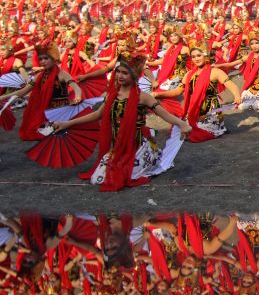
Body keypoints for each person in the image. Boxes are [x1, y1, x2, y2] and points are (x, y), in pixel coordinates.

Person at [53, 54, 192, 192]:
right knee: (99, 178)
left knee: (124, 175)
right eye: (118, 71)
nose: (119, 75)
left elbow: (165, 114)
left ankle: (149, 157)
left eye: (124, 73)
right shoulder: (112, 94)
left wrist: (182, 124)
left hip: (136, 144)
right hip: (116, 144)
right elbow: (97, 115)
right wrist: (67, 123)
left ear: (134, 76)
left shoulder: (143, 97)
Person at [157, 44, 241, 142]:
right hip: (194, 109)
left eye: (199, 55)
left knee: (196, 133)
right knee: (181, 130)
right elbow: (177, 91)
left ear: (205, 56)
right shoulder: (189, 74)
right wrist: (158, 94)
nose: (196, 59)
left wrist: (237, 96)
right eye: (193, 57)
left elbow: (231, 85)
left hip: (211, 110)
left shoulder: (215, 72)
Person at [0, 43, 82, 141]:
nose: (42, 61)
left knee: (59, 138)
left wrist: (78, 95)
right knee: (47, 139)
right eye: (40, 59)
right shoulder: (39, 76)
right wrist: (3, 97)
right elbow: (24, 91)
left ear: (54, 58)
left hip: (60, 111)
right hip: (45, 111)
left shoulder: (62, 74)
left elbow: (76, 87)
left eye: (46, 58)